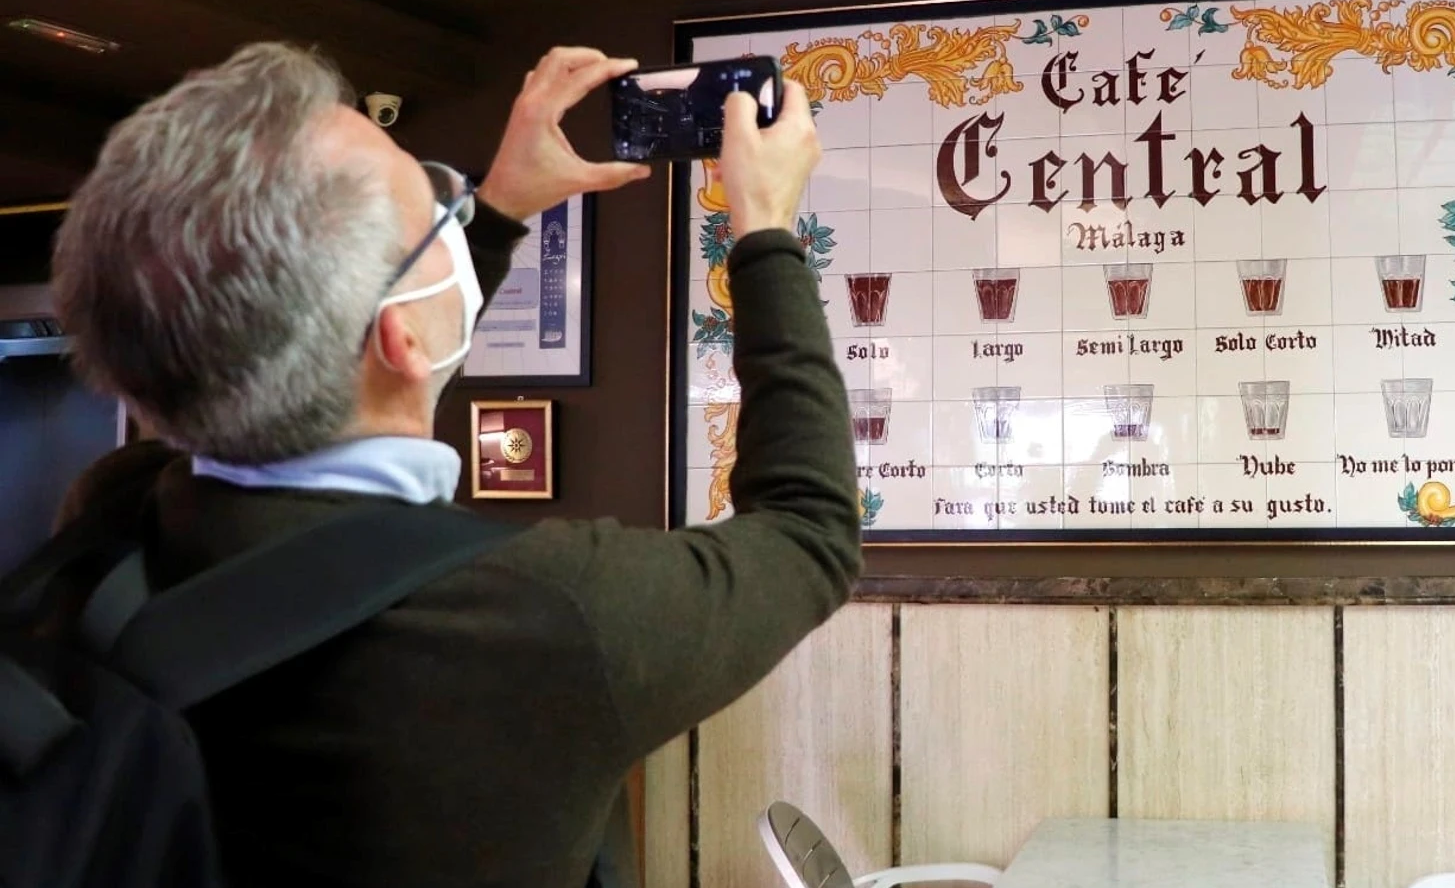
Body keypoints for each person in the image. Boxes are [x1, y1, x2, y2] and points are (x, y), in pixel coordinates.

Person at [45, 43, 860, 887]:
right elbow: (811, 529)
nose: (455, 208)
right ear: (399, 333)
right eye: (439, 208)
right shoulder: (549, 617)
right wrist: (763, 229)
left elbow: (373, 377)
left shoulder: (110, 524)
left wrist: (500, 206)